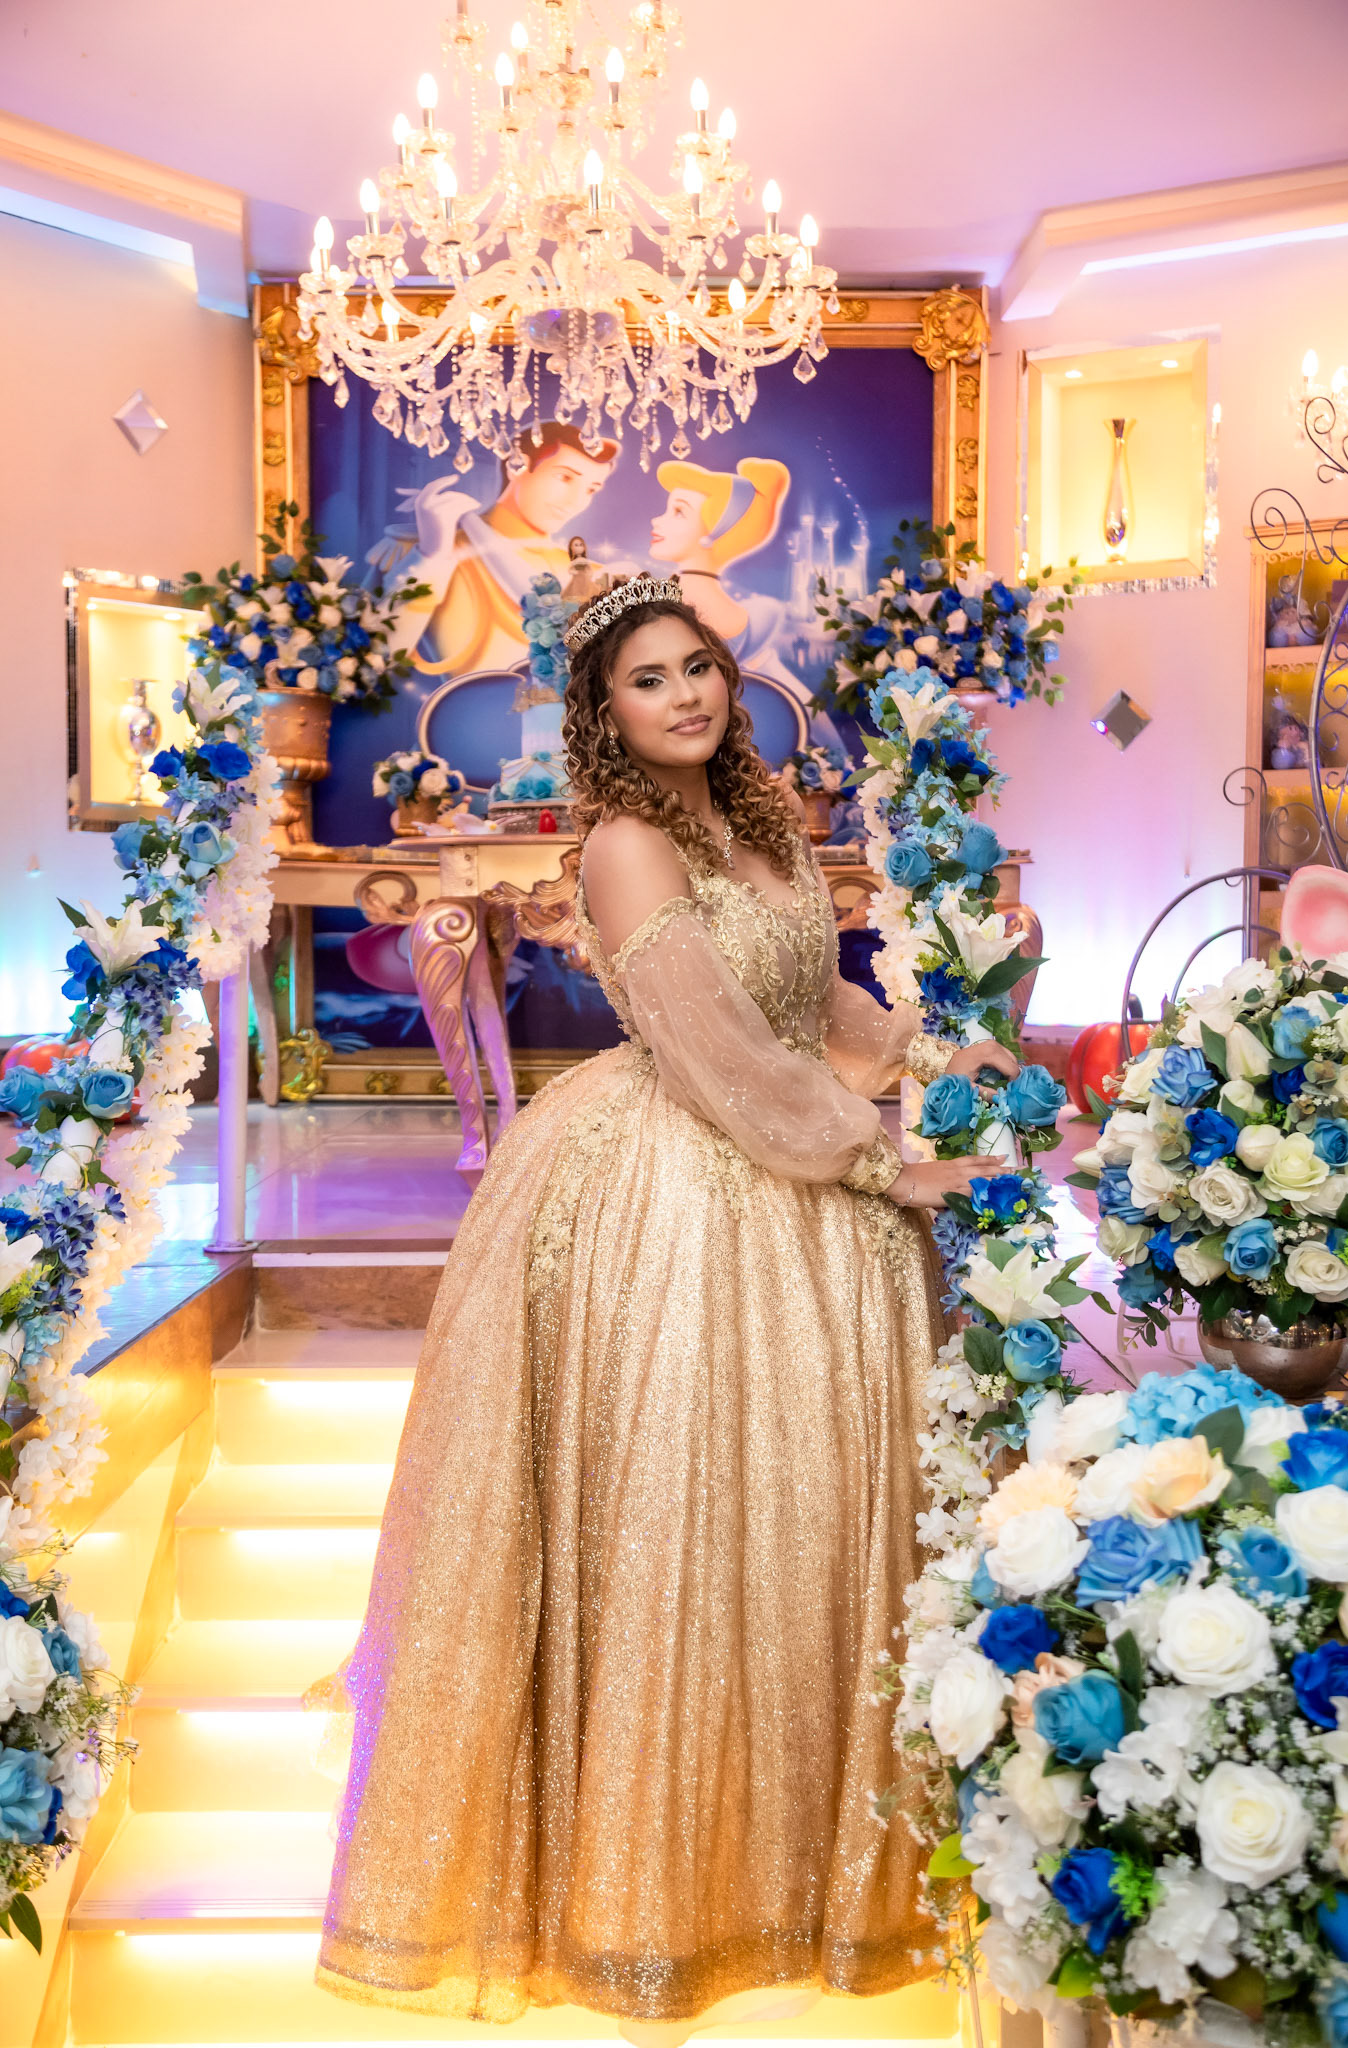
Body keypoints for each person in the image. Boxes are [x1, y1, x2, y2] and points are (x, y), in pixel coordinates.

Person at [315, 575, 1018, 2038]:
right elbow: (714, 1049)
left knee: (807, 1516)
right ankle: (655, 1901)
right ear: (604, 710)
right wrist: (879, 1161)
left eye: (697, 666)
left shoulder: (763, 823)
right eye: (649, 679)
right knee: (684, 1509)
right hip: (681, 1184)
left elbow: (810, 1012)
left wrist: (936, 1055)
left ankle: (818, 1873)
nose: (686, 695)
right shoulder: (627, 842)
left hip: (791, 1155)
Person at [372, 423, 618, 675]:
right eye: (564, 477)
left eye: (591, 489)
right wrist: (431, 558)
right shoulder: (422, 550)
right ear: (517, 465)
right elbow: (374, 659)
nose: (576, 501)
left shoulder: (590, 576)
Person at [648, 457, 799, 685]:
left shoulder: (681, 601)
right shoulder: (748, 618)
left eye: (678, 511)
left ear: (716, 532)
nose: (656, 520)